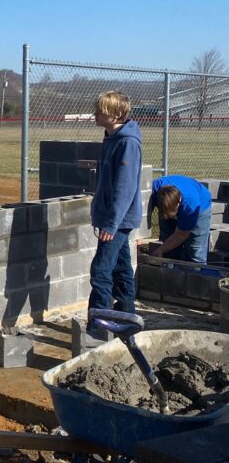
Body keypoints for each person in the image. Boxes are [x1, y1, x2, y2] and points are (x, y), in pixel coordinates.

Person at [87, 90, 143, 329]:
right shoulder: (111, 138)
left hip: (118, 221)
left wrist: (111, 223)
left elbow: (124, 188)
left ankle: (99, 327)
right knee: (121, 268)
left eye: (101, 110)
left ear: (117, 114)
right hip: (112, 218)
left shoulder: (127, 143)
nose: (96, 114)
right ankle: (126, 319)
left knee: (100, 270)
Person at [147, 175, 212, 263]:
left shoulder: (190, 206)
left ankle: (196, 274)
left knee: (195, 252)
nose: (169, 217)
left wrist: (161, 250)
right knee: (169, 246)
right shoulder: (153, 190)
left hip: (201, 203)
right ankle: (172, 270)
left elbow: (182, 234)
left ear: (178, 204)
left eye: (171, 214)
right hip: (176, 197)